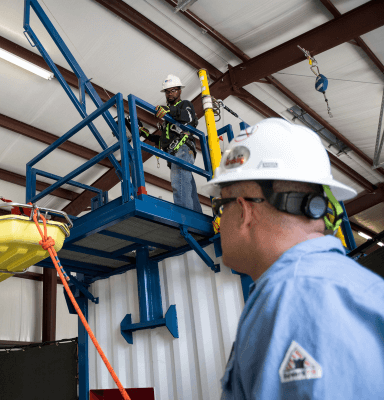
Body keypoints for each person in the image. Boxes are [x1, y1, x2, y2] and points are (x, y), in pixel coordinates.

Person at [200, 118, 384, 399]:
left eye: (220, 207)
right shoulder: (347, 287)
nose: (219, 222)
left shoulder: (296, 298)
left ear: (244, 210)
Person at [139, 74, 202, 212]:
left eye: (173, 90)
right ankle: (197, 217)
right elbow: (164, 141)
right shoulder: (168, 118)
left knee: (179, 183)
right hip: (174, 153)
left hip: (183, 149)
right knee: (187, 187)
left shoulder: (185, 105)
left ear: (180, 91)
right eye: (167, 91)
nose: (170, 94)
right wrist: (147, 135)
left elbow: (190, 119)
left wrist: (169, 110)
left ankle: (185, 218)